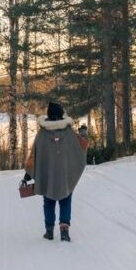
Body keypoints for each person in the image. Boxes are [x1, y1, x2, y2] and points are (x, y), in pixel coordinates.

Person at [23, 102, 88, 242]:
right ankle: (64, 231)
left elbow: (34, 155)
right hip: (65, 176)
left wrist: (27, 176)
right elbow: (81, 146)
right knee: (66, 199)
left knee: (48, 201)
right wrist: (83, 132)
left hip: (48, 177)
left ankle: (49, 231)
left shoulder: (42, 133)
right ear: (60, 114)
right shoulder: (68, 132)